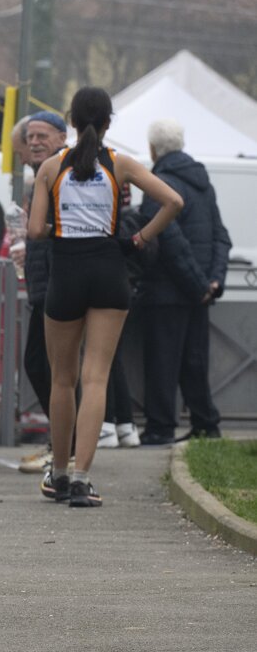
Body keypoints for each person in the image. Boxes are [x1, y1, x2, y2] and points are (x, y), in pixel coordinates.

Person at [27, 87, 182, 507]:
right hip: (110, 271)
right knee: (96, 377)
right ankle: (82, 479)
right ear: (109, 122)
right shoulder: (120, 164)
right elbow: (173, 201)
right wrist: (139, 239)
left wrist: (60, 224)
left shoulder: (51, 167)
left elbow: (35, 230)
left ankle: (59, 473)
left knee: (63, 379)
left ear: (71, 122)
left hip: (66, 273)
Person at [135, 117, 230, 445]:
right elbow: (221, 236)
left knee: (162, 362)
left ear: (152, 149)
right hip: (198, 293)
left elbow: (170, 243)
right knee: (194, 361)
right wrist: (213, 281)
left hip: (167, 292)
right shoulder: (204, 184)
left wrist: (198, 285)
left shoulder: (157, 186)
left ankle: (160, 428)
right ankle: (205, 423)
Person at [17, 111, 69, 476]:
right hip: (42, 285)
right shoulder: (39, 176)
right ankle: (62, 443)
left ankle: (65, 447)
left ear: (62, 138)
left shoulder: (61, 174)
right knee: (43, 365)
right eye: (30, 137)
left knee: (49, 366)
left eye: (42, 136)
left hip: (58, 284)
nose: (34, 142)